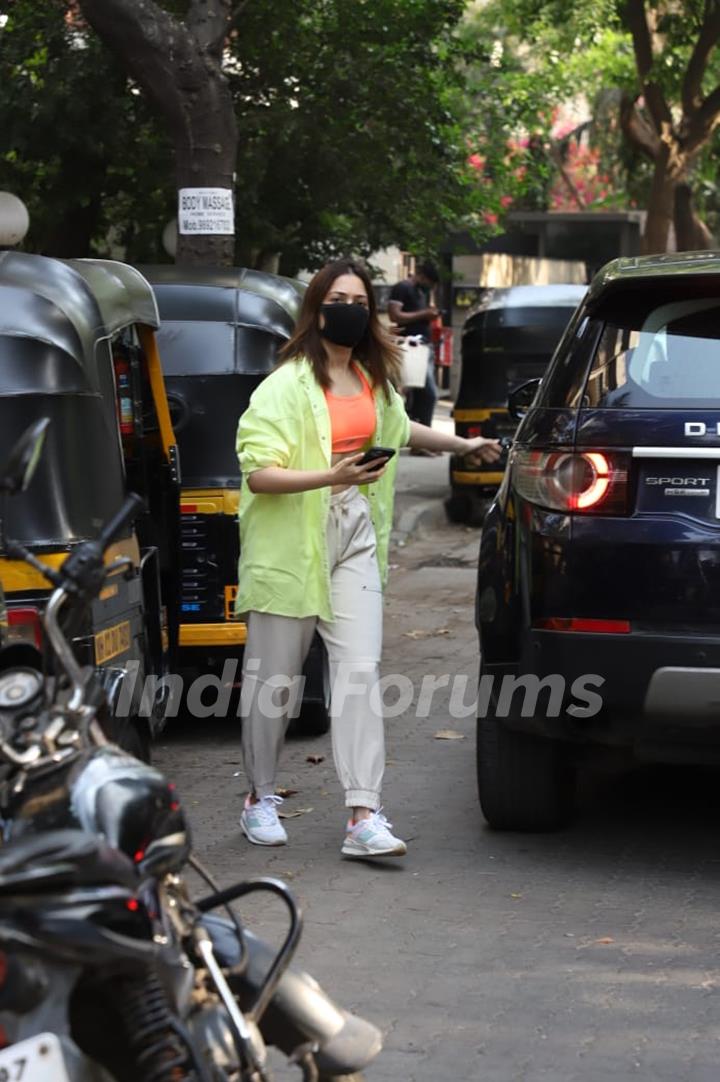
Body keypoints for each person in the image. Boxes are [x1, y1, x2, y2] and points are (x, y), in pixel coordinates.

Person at [235, 258, 500, 859]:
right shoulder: (284, 386)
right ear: (316, 309)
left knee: (359, 673)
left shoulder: (371, 379)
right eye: (338, 298)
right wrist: (330, 474)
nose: (349, 309)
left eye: (359, 300)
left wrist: (465, 443)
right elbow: (259, 474)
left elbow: (401, 429)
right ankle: (259, 797)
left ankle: (363, 814)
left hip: (354, 531)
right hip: (292, 539)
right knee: (274, 682)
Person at [388, 261, 441, 444]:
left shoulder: (420, 292)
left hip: (423, 347)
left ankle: (418, 440)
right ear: (422, 276)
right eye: (429, 282)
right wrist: (424, 314)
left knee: (418, 396)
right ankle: (423, 441)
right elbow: (395, 315)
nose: (430, 287)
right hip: (411, 347)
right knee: (428, 394)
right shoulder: (402, 288)